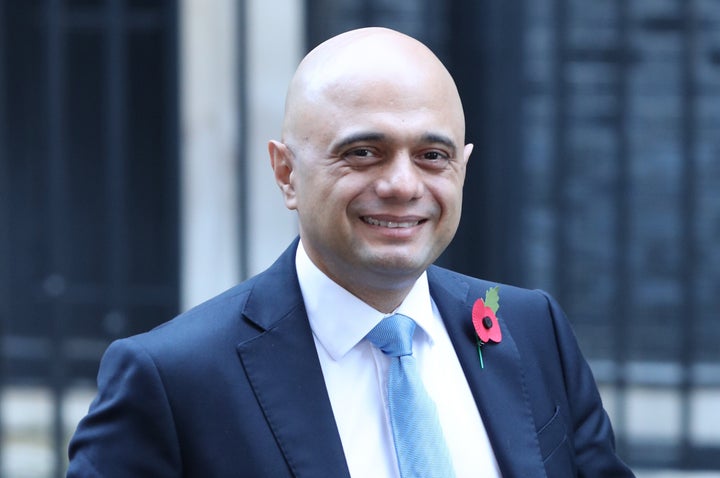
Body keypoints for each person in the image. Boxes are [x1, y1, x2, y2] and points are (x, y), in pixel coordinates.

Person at [67, 27, 634, 477]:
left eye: (432, 155)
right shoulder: (172, 379)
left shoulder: (533, 330)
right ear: (287, 173)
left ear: (462, 165)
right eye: (364, 152)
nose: (402, 185)